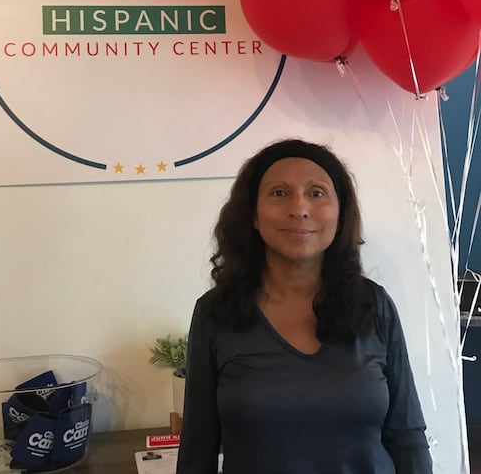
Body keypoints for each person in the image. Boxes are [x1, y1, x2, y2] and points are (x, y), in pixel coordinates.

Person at [176, 139, 432, 474]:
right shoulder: (216, 313)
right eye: (279, 193)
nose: (299, 208)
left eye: (317, 192)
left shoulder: (374, 305)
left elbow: (407, 435)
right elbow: (198, 448)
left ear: (340, 214)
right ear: (253, 214)